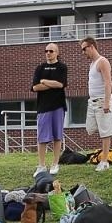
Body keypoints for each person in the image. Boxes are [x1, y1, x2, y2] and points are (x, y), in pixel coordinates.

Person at [80, 36, 112, 172]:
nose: (83, 52)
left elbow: (108, 82)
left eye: (84, 49)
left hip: (102, 100)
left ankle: (105, 160)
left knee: (105, 131)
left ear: (92, 46)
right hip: (92, 102)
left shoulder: (103, 61)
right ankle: (103, 153)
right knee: (90, 128)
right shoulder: (92, 64)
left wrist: (107, 102)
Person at [33, 43, 70, 175]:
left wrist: (44, 81)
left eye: (51, 51)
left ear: (57, 53)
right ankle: (41, 165)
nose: (48, 53)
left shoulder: (62, 67)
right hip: (43, 107)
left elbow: (60, 84)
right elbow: (35, 87)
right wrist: (50, 84)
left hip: (58, 106)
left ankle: (55, 163)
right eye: (46, 51)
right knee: (42, 137)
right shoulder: (40, 68)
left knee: (57, 136)